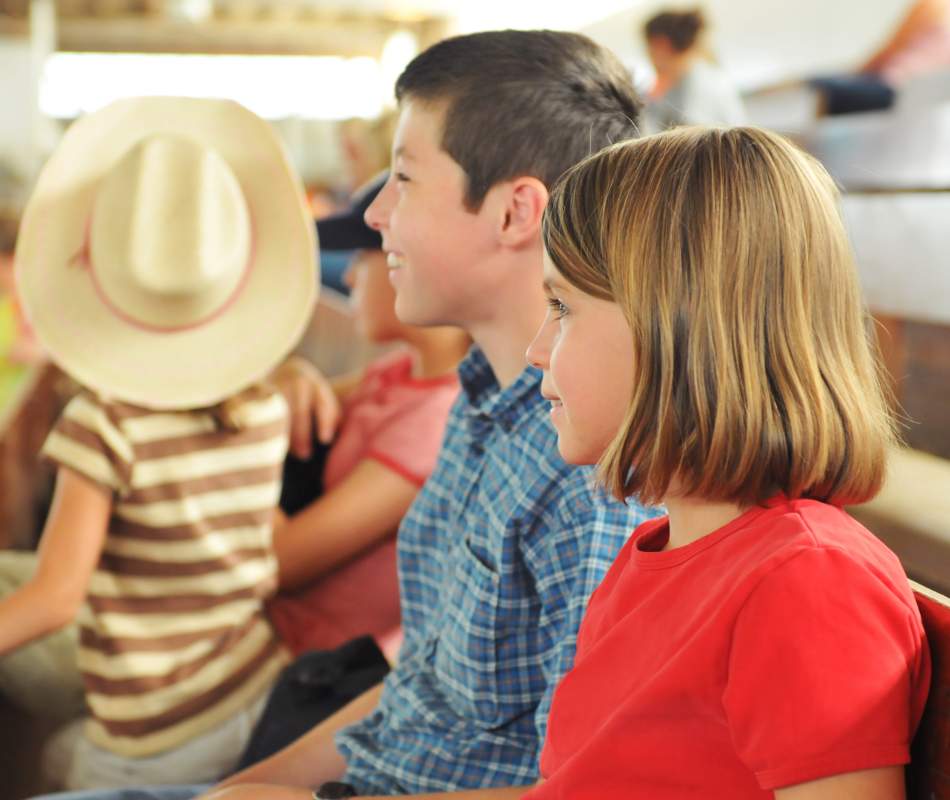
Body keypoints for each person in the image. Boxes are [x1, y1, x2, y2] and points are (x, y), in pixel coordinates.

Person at [43, 27, 658, 800]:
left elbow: (579, 783)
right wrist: (244, 788)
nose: (375, 216)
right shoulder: (479, 404)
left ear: (514, 213)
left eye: (403, 179)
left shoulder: (589, 467)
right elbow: (421, 684)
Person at [522, 125, 931, 798]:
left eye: (562, 307)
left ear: (679, 326)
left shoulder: (806, 583)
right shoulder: (653, 552)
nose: (537, 349)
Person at [0, 96, 317, 790]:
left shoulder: (104, 426)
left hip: (156, 727)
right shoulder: (263, 406)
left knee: (48, 765)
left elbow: (55, 597)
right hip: (254, 687)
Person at [267, 174, 470, 659]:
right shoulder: (399, 371)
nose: (351, 275)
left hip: (300, 659)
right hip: (268, 627)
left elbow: (277, 562)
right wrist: (292, 375)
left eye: (365, 256)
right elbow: (276, 408)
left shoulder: (436, 419)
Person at [812, 0, 950, 115]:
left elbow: (890, 49)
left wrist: (854, 74)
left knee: (822, 86)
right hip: (914, 96)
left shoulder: (934, 5)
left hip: (889, 86)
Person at [642, 8, 746, 131]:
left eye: (650, 50)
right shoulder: (693, 78)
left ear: (661, 45)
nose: (650, 58)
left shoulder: (699, 82)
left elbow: (690, 140)